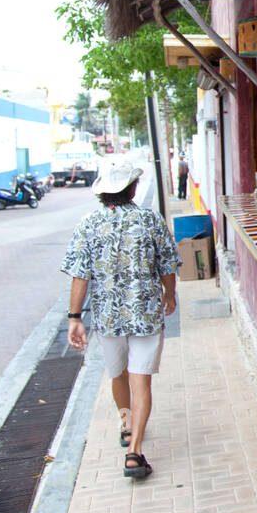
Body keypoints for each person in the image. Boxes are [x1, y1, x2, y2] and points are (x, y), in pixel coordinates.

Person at [61, 161, 181, 480]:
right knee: (141, 379)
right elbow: (168, 263)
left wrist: (74, 317)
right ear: (132, 189)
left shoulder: (88, 223)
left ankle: (126, 424)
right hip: (145, 313)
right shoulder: (150, 220)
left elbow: (79, 274)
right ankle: (134, 453)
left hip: (107, 317)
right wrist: (169, 295)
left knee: (117, 373)